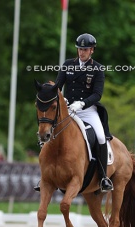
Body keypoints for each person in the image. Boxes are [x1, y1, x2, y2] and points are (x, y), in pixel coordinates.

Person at [35, 33, 113, 192]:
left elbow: (98, 94)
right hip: (68, 109)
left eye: (85, 49)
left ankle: (104, 177)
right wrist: (47, 92)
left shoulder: (97, 69)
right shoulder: (68, 65)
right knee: (50, 132)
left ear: (92, 50)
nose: (81, 52)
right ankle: (44, 177)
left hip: (88, 110)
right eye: (79, 49)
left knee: (99, 136)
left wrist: (83, 103)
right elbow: (58, 86)